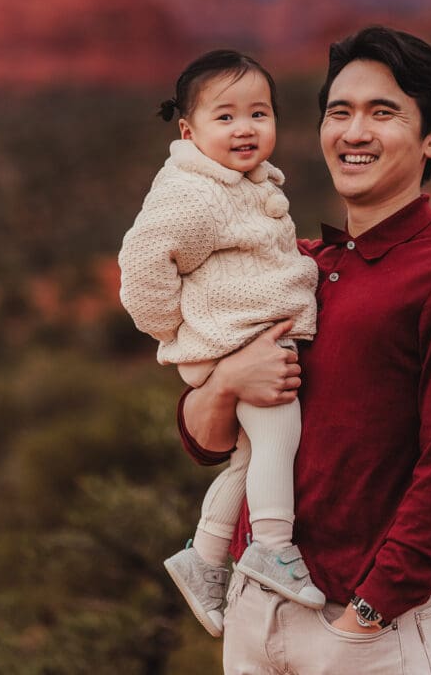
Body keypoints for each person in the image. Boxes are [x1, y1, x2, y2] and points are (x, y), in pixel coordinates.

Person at [179, 26, 431, 675]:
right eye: (339, 112)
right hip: (253, 612)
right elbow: (204, 441)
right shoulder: (294, 264)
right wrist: (224, 385)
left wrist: (363, 618)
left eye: (382, 113)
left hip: (361, 633)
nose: (353, 132)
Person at [118, 49, 326, 639]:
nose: (245, 128)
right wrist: (175, 330)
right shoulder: (196, 193)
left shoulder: (235, 183)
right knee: (281, 437)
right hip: (236, 344)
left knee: (249, 456)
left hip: (239, 337)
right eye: (226, 117)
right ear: (189, 130)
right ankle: (272, 546)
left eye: (259, 114)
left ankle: (205, 554)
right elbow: (141, 262)